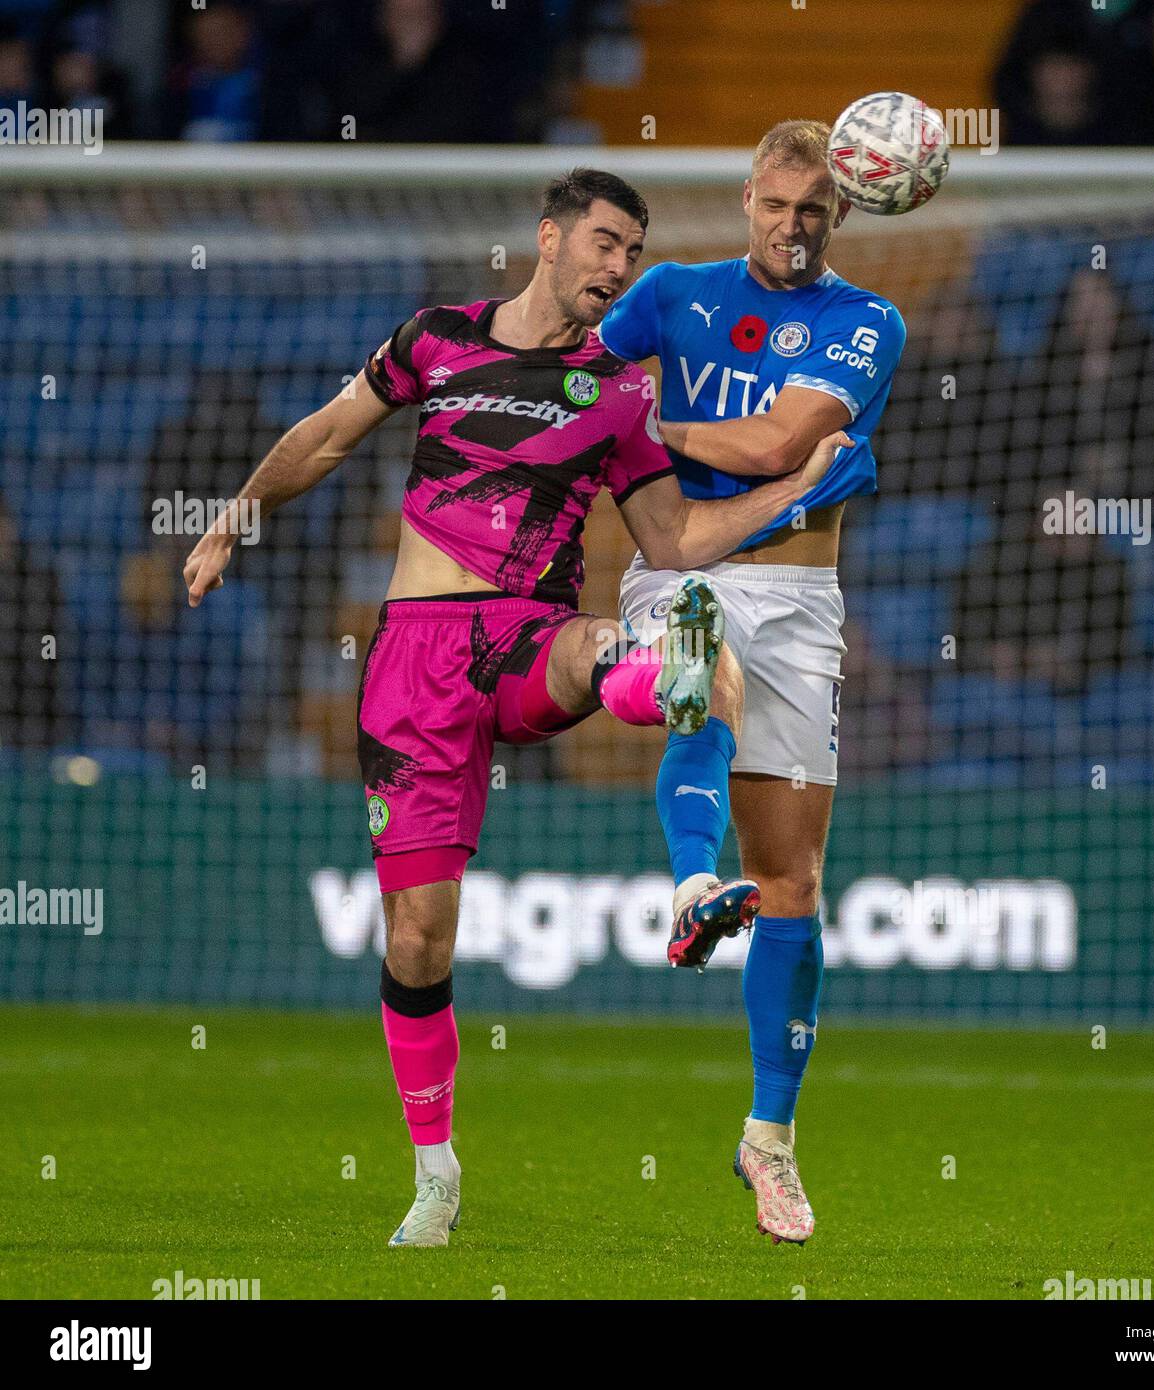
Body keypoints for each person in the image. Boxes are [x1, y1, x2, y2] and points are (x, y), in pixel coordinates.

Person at [182, 168, 845, 1249]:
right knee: (416, 939)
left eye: (631, 251)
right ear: (548, 237)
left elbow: (672, 542)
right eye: (603, 243)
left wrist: (792, 485)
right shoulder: (438, 339)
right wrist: (234, 515)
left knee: (658, 636)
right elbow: (331, 432)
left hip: (528, 637)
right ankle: (435, 1172)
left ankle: (666, 720)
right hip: (412, 660)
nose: (617, 267)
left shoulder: (621, 390)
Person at [598, 120, 907, 1245]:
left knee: (794, 879)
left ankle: (767, 1140)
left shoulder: (869, 321)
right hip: (687, 568)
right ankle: (688, 888)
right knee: (698, 660)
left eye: (813, 210)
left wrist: (657, 424)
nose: (792, 226)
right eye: (775, 205)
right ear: (746, 198)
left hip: (804, 602)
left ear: (842, 213)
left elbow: (782, 444)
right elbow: (575, 370)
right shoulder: (672, 291)